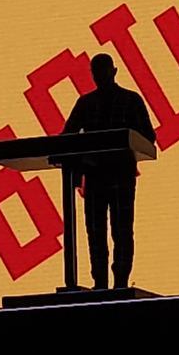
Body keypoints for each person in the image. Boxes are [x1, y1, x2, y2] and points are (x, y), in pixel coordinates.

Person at [63, 53, 156, 290]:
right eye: (95, 71)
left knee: (121, 230)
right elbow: (66, 140)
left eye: (102, 70)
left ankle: (120, 282)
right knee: (96, 231)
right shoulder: (86, 103)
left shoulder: (130, 100)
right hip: (95, 176)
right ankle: (101, 283)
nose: (99, 76)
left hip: (120, 174)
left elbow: (148, 136)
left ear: (113, 72)